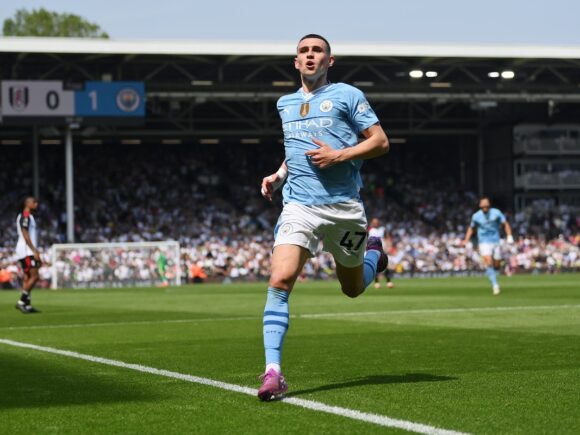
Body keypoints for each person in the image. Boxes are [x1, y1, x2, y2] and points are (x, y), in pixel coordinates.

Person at [258, 34, 390, 401]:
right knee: (281, 280)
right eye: (304, 51)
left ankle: (374, 255)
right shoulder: (284, 104)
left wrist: (340, 156)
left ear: (330, 61)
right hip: (299, 206)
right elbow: (295, 151)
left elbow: (380, 142)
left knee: (352, 289)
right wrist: (279, 175)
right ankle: (273, 372)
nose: (310, 56)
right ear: (296, 62)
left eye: (318, 51)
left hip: (343, 207)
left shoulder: (348, 95)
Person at [461, 197, 514, 295]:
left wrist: (509, 235)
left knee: (497, 265)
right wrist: (466, 240)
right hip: (483, 242)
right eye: (483, 205)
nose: (485, 207)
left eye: (486, 205)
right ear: (480, 206)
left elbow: (505, 224)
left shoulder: (496, 213)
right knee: (488, 262)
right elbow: (471, 228)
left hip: (496, 241)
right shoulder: (476, 216)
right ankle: (495, 285)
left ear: (489, 205)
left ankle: (498, 267)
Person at [15, 196, 41, 313]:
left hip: (24, 250)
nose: (36, 204)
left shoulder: (28, 216)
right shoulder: (25, 215)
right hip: (26, 250)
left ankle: (27, 304)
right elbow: (25, 233)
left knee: (28, 277)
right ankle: (21, 301)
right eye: (34, 202)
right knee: (35, 276)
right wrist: (34, 250)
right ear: (28, 203)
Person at [368, 218, 394, 288]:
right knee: (375, 265)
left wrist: (389, 246)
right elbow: (366, 239)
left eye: (377, 222)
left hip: (383, 249)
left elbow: (388, 238)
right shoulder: (370, 230)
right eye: (374, 222)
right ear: (372, 223)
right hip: (373, 250)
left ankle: (388, 281)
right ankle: (376, 282)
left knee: (386, 265)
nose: (376, 223)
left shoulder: (383, 229)